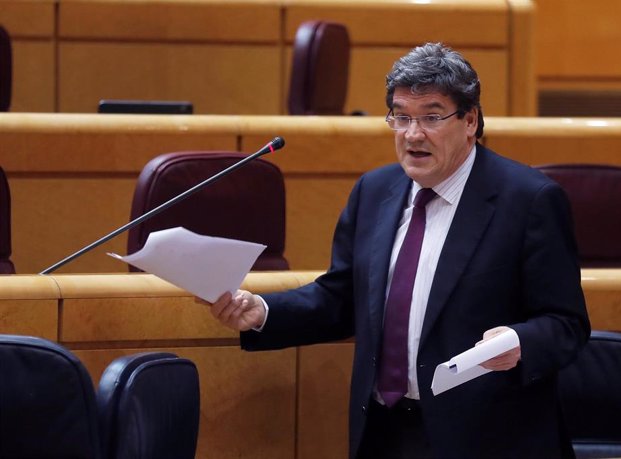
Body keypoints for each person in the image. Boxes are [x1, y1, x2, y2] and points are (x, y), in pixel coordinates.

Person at [208, 42, 590, 458]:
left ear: (470, 120)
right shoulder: (374, 191)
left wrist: (521, 340)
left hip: (484, 437)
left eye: (431, 116)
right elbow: (341, 299)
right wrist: (263, 312)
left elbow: (566, 324)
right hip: (384, 431)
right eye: (401, 116)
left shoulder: (529, 200)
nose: (413, 134)